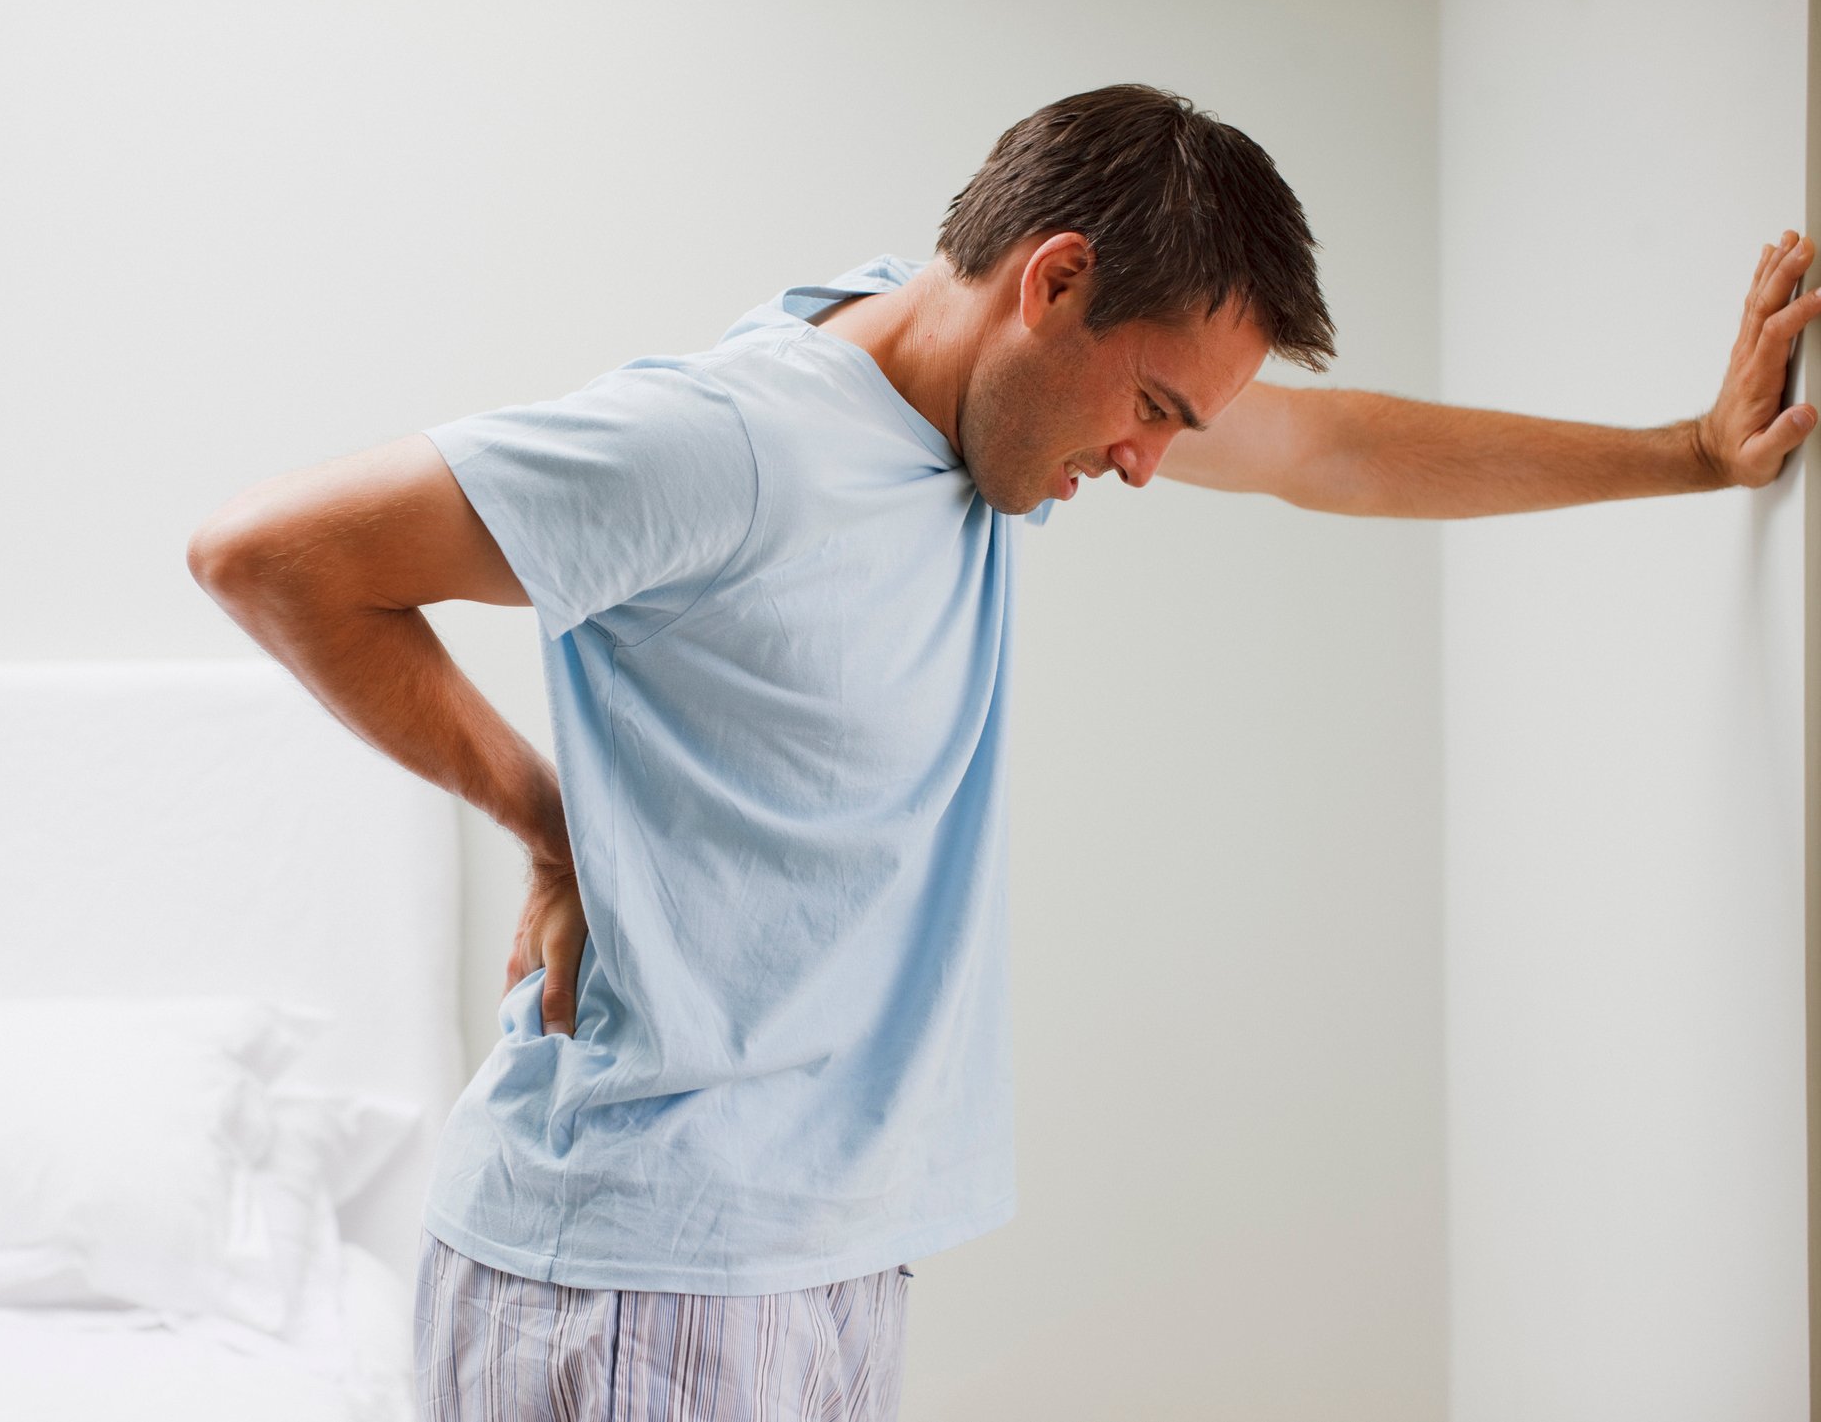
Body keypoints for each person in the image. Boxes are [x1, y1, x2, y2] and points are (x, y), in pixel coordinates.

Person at [186, 82, 1817, 1422]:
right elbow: (272, 552)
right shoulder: (736, 442)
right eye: (1158, 409)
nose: (1149, 464)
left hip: (821, 1258)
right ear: (1052, 283)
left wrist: (1691, 452)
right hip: (642, 1277)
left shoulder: (949, 398)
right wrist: (539, 816)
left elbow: (1334, 447)